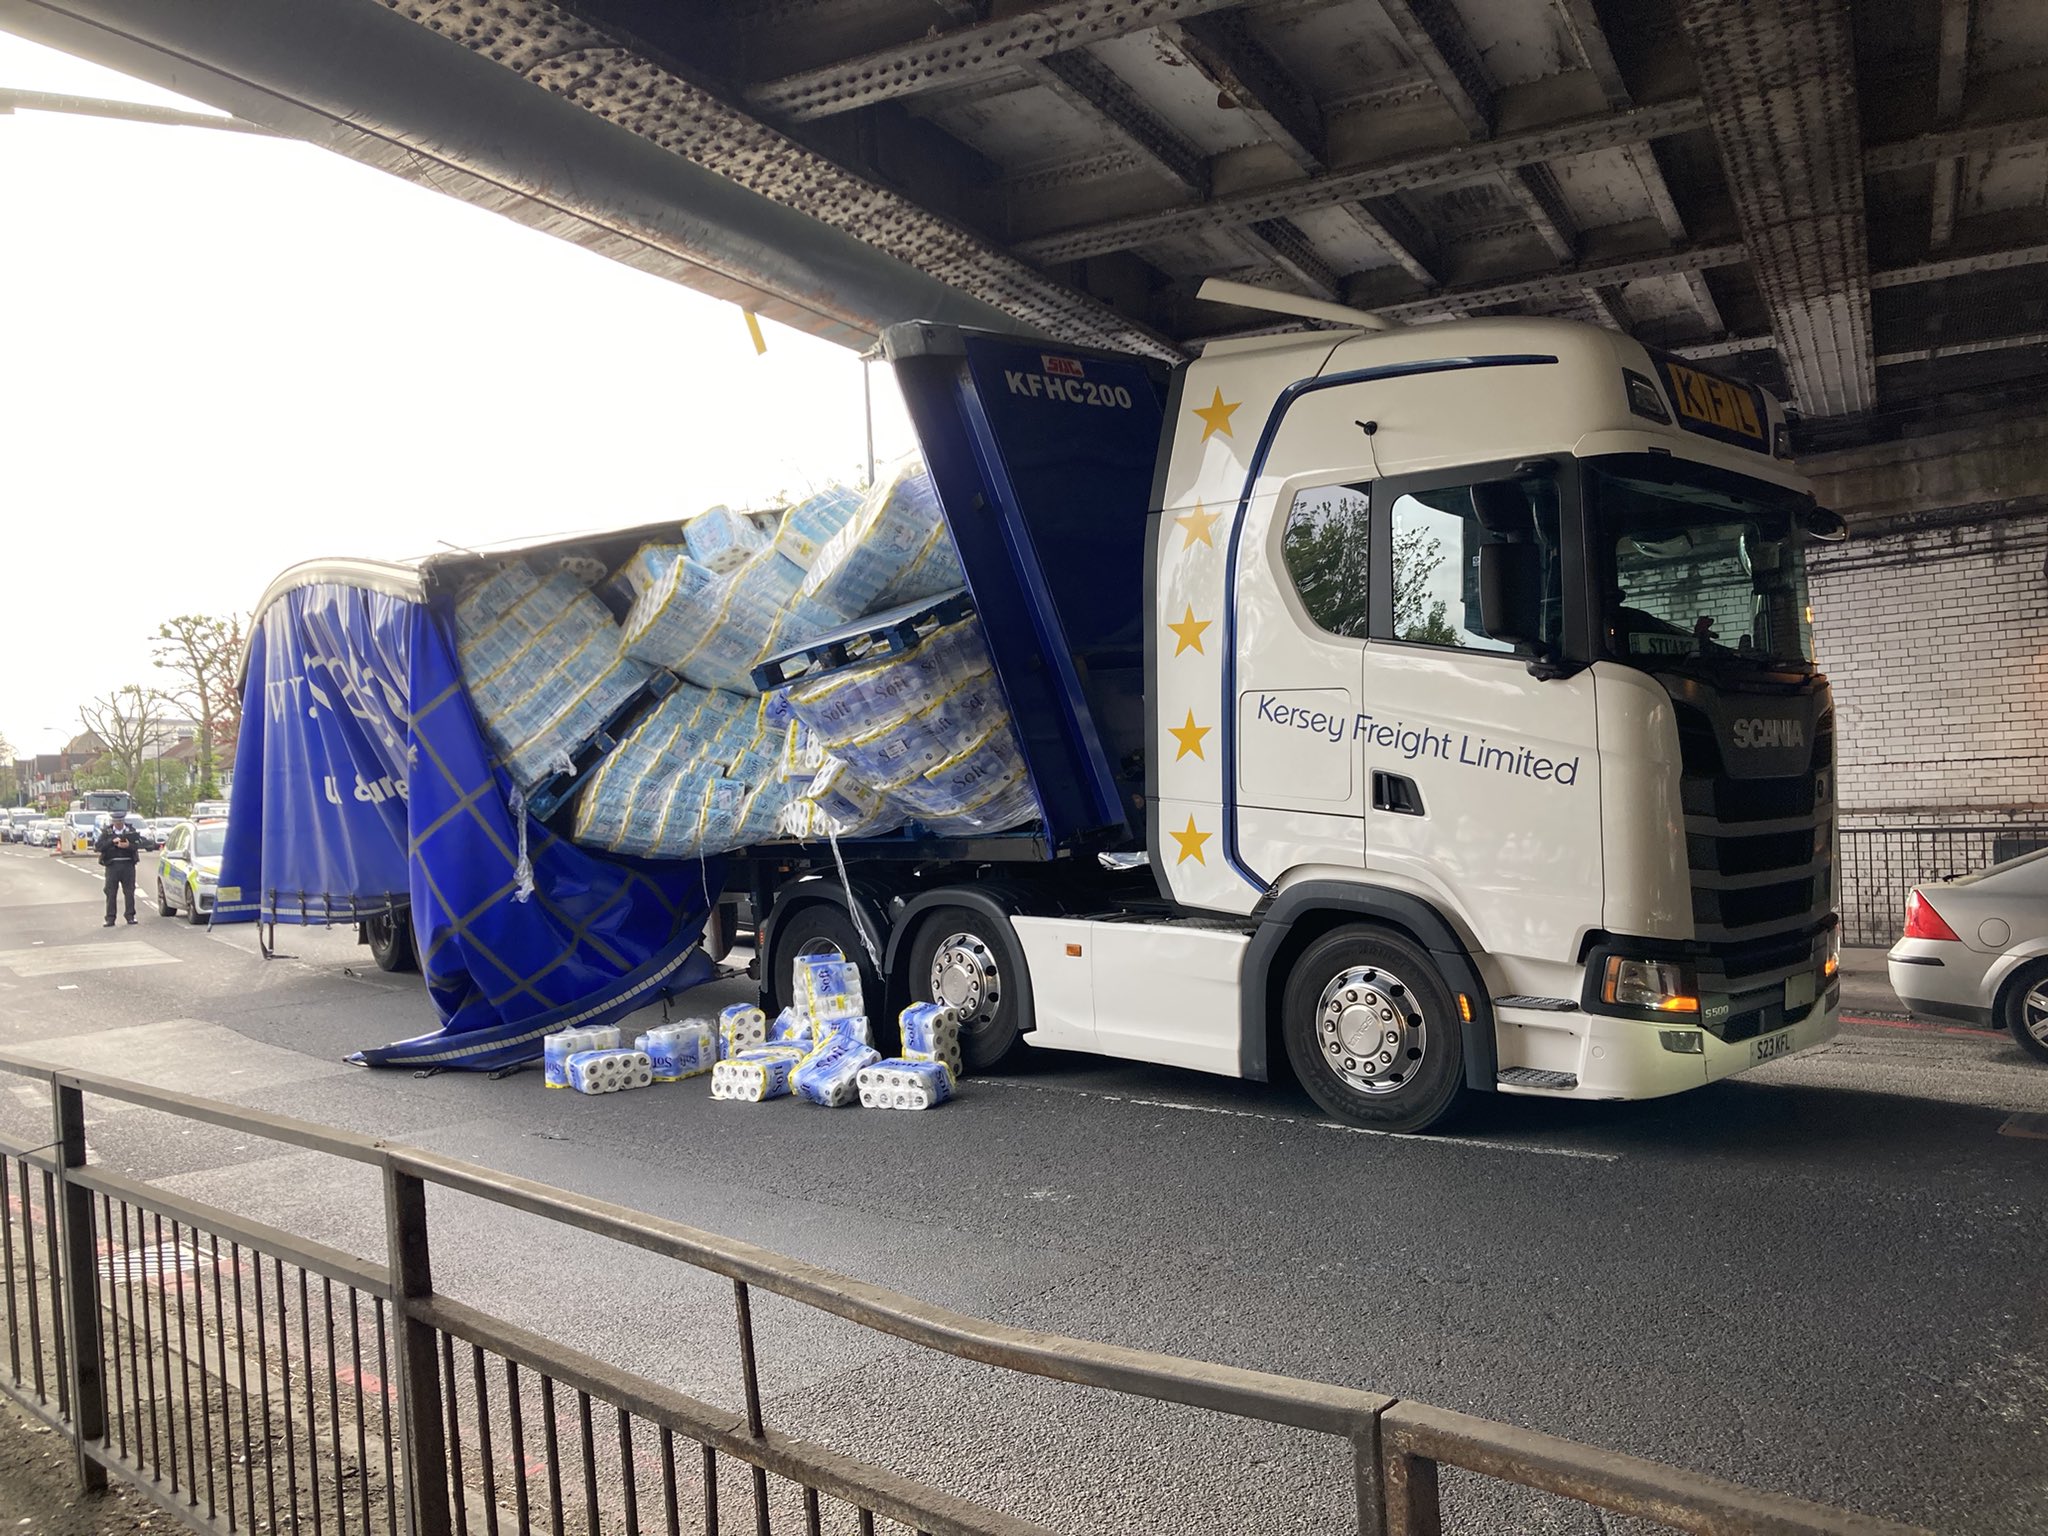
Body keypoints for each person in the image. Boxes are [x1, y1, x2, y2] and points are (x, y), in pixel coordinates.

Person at [98, 814, 141, 926]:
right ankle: (110, 918)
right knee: (110, 892)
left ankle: (130, 916)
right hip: (112, 865)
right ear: (113, 821)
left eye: (120, 821)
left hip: (128, 864)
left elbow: (138, 845)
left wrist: (128, 846)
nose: (118, 823)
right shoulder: (107, 832)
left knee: (129, 891)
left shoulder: (131, 831)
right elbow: (98, 846)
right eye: (116, 821)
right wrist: (112, 842)